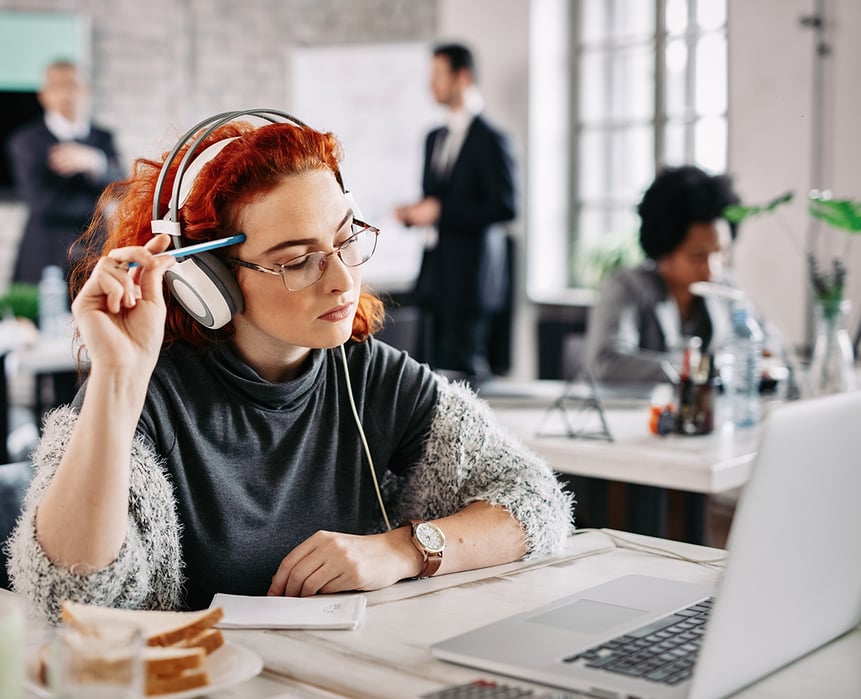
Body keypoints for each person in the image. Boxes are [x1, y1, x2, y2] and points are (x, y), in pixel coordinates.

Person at [6, 111, 573, 623]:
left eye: (347, 238)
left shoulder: (368, 375)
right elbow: (65, 596)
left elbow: (536, 501)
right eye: (298, 260)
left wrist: (403, 549)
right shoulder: (149, 396)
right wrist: (116, 380)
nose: (343, 280)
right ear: (207, 280)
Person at [394, 42, 516, 387]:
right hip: (435, 271)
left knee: (466, 375)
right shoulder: (434, 137)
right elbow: (435, 200)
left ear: (462, 77)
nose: (430, 84)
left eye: (437, 75)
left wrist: (441, 212)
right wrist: (414, 213)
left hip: (472, 278)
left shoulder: (492, 139)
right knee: (429, 369)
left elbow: (506, 206)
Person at [584, 165, 742, 383]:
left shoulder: (725, 287)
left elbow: (764, 345)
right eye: (697, 256)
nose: (711, 268)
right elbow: (608, 362)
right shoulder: (627, 288)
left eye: (720, 253)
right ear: (664, 251)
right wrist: (698, 369)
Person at [7, 60, 123, 284]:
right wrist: (98, 207)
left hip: (95, 252)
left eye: (72, 85)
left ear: (86, 90)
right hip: (44, 251)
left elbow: (122, 188)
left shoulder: (103, 139)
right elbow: (40, 201)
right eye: (57, 86)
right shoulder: (25, 142)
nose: (65, 93)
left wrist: (96, 162)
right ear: (43, 95)